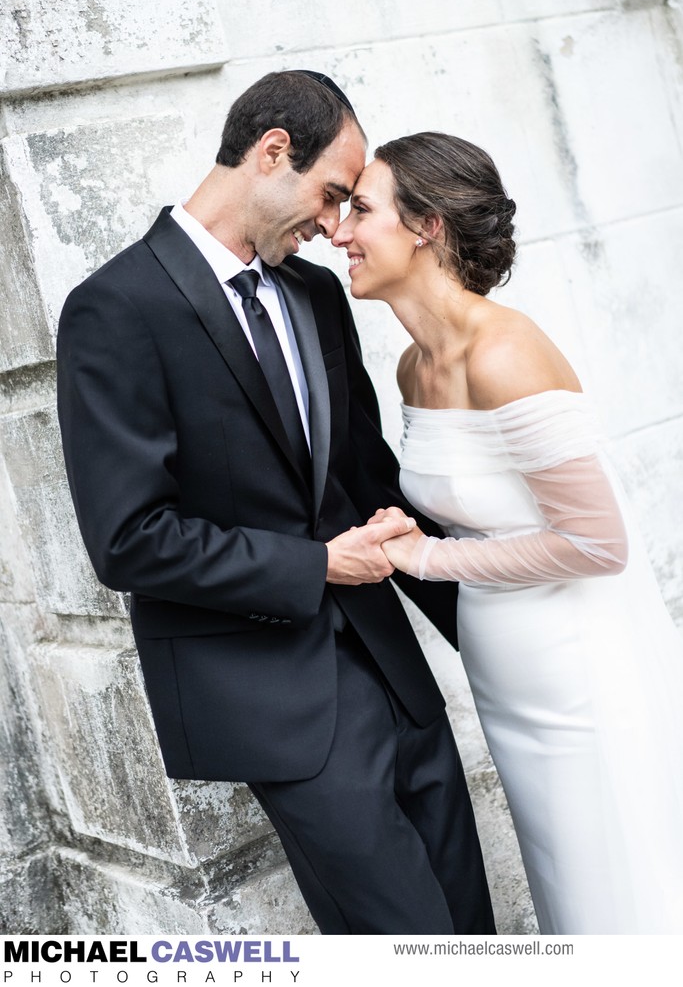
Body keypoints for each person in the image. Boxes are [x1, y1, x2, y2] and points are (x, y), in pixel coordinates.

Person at [56, 74, 495, 935]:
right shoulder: (114, 309)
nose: (337, 228)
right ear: (270, 153)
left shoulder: (316, 296)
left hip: (395, 675)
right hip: (277, 703)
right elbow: (128, 540)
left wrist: (492, 634)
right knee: (406, 943)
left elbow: (365, 479)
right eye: (332, 195)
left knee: (470, 926)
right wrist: (316, 564)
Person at [332, 130, 683, 934]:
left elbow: (598, 542)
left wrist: (423, 555)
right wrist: (402, 526)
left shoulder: (506, 351)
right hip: (506, 672)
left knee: (619, 893)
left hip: (580, 674)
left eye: (360, 210)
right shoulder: (413, 368)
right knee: (566, 890)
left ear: (426, 227)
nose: (340, 233)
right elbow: (480, 507)